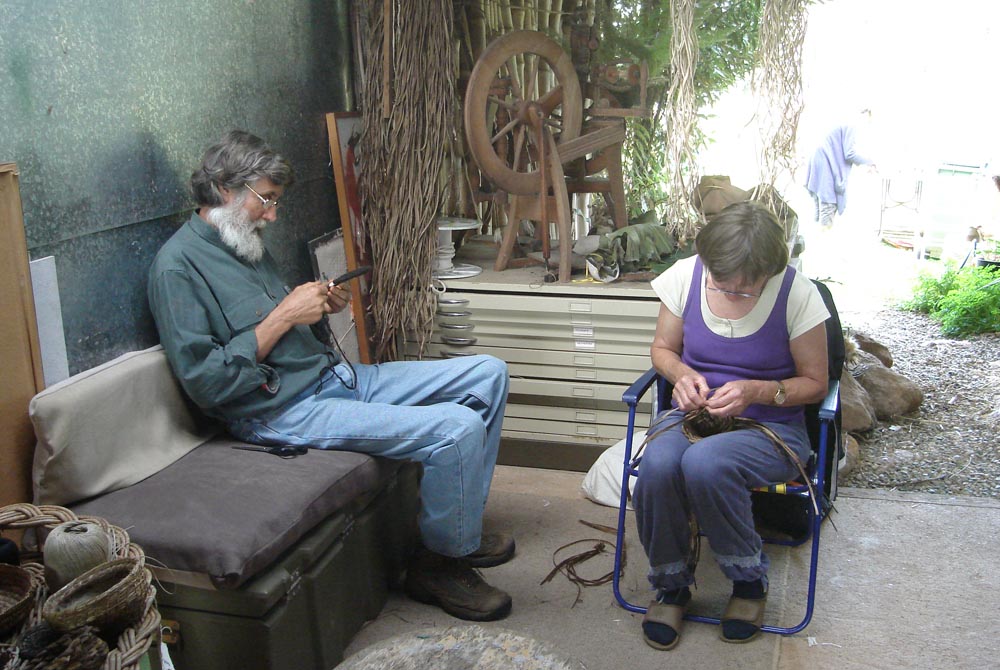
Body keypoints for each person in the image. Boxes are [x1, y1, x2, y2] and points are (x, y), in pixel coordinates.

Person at [147, 130, 515, 622]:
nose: (273, 215)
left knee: (488, 372)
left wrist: (319, 307)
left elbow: (284, 328)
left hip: (335, 379)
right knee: (456, 427)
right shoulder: (176, 268)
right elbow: (207, 382)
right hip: (278, 411)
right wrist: (283, 316)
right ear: (224, 189)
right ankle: (440, 565)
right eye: (267, 199)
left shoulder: (244, 238)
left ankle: (459, 528)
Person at [635, 201, 829, 648]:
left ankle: (747, 581)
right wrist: (681, 376)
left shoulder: (797, 294)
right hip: (693, 415)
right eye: (719, 283)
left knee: (707, 464)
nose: (728, 293)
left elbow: (816, 384)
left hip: (772, 427)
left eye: (744, 291)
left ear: (768, 273)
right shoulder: (687, 275)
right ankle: (672, 582)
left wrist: (758, 391)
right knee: (660, 465)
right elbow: (662, 348)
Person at [805, 109, 876, 229]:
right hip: (825, 163)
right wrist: (870, 162)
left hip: (819, 162)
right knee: (828, 205)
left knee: (821, 206)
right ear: (866, 116)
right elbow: (849, 154)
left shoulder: (846, 122)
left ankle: (820, 233)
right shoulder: (853, 125)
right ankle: (823, 237)